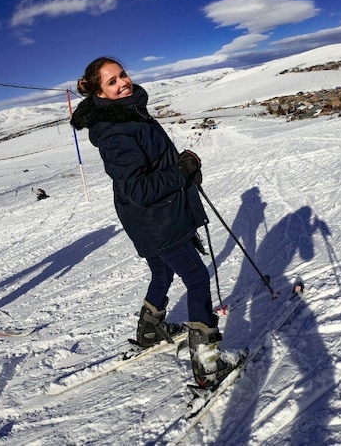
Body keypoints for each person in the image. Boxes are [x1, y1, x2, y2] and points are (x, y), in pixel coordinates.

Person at [69, 56, 242, 389]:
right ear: (99, 94)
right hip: (156, 218)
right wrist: (181, 172)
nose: (123, 82)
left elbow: (151, 164)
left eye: (123, 75)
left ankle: (150, 331)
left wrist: (180, 168)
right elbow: (139, 189)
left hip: (150, 218)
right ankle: (207, 365)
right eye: (112, 82)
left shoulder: (128, 112)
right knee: (195, 278)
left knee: (162, 271)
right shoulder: (115, 131)